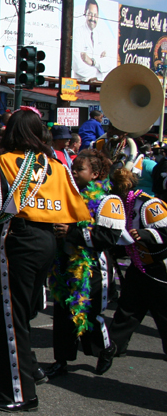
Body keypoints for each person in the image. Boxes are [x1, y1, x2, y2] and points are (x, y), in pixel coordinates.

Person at [0, 107, 90, 412]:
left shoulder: (1, 163)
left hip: (18, 239)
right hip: (48, 241)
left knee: (8, 320)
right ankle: (30, 372)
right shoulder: (56, 165)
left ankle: (19, 394)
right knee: (22, 315)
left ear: (10, 132)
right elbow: (77, 208)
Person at [46, 149, 122, 380]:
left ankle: (105, 350)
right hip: (65, 264)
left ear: (95, 173)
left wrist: (73, 232)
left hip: (92, 268)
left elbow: (109, 237)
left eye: (79, 169)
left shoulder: (109, 200)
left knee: (89, 316)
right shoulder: (68, 193)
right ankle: (61, 360)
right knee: (62, 316)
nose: (74, 172)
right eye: (73, 168)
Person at [103, 169, 167, 373]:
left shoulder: (149, 204)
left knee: (164, 314)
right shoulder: (122, 205)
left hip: (158, 269)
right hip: (137, 267)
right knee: (127, 308)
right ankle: (113, 347)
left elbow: (165, 233)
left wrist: (144, 234)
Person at [73, 0, 115, 82]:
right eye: (90, 14)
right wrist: (99, 72)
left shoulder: (102, 36)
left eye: (95, 15)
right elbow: (77, 64)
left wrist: (93, 62)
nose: (93, 18)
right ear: (85, 13)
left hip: (98, 86)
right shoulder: (77, 33)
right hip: (80, 85)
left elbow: (109, 63)